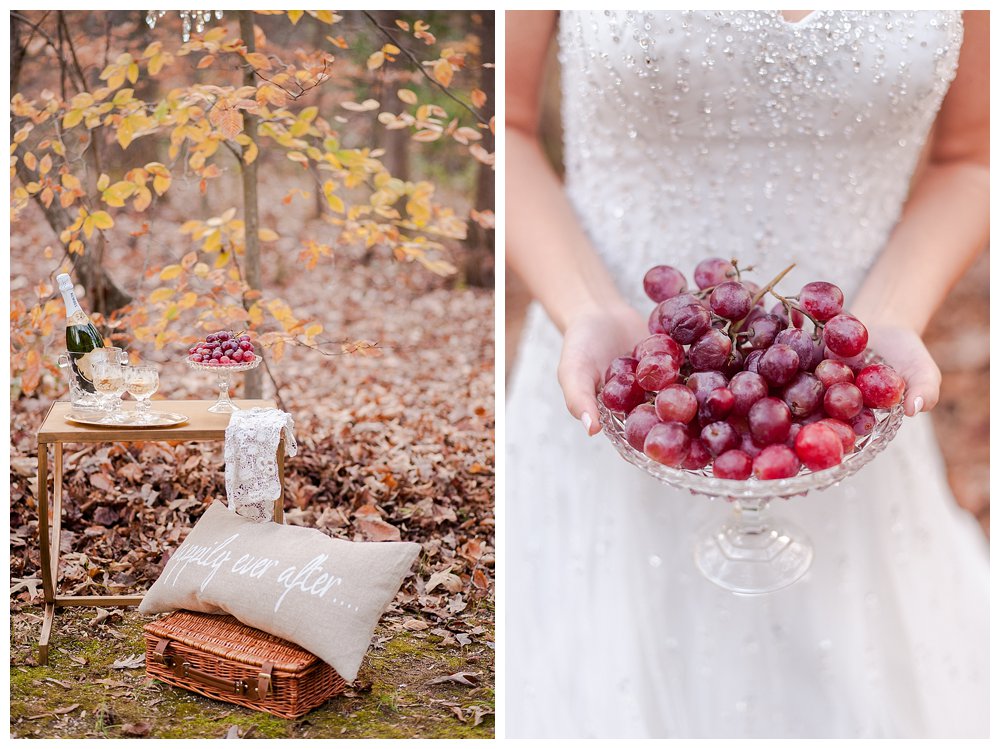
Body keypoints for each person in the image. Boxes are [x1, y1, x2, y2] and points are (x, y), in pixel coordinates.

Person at [505, 10, 988, 738]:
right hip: (623, 382)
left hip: (836, 396)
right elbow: (501, 123)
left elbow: (975, 154)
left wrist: (884, 323)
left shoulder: (851, 378)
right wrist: (587, 308)